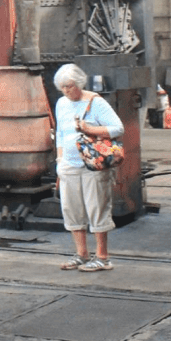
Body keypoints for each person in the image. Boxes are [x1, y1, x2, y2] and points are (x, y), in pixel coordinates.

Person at [53, 63, 124, 272]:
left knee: (97, 207)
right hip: (69, 165)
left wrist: (90, 129)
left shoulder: (96, 102)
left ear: (79, 83)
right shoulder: (61, 103)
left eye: (70, 86)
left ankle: (102, 257)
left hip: (93, 165)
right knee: (72, 208)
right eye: (62, 87)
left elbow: (118, 128)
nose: (66, 91)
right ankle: (82, 254)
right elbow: (60, 133)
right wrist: (60, 160)